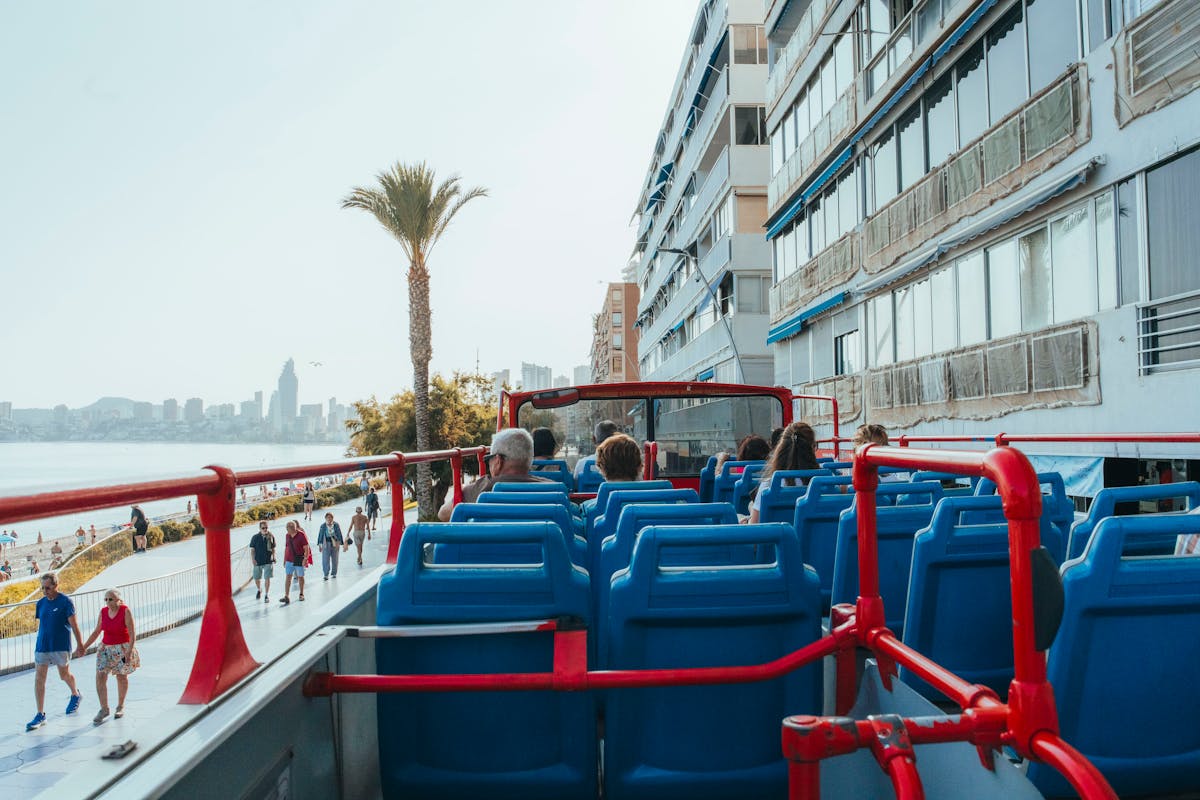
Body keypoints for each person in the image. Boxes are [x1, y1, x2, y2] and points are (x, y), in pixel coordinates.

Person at [438, 428, 550, 521]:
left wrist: (464, 489)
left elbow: (443, 514)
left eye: (489, 459)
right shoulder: (552, 488)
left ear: (498, 461)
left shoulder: (482, 488)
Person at [27, 572, 85, 731]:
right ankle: (40, 714)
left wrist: (80, 645)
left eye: (48, 588)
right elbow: (43, 624)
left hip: (60, 645)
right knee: (39, 678)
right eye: (43, 588)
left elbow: (74, 626)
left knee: (63, 675)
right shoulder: (41, 603)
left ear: (56, 586)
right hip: (43, 646)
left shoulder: (66, 602)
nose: (45, 591)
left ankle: (75, 694)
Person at [75, 588, 139, 725]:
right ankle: (104, 709)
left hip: (121, 648)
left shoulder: (125, 611)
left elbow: (133, 633)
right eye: (106, 599)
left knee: (121, 676)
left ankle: (120, 706)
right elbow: (97, 631)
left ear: (118, 600)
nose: (108, 602)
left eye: (111, 599)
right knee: (100, 676)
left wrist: (129, 650)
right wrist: (83, 647)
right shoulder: (103, 612)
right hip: (105, 649)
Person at [748, 422, 820, 525]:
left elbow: (754, 530)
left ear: (781, 448)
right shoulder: (826, 484)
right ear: (812, 448)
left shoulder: (769, 487)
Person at [280, 521, 310, 605]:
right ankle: (286, 596)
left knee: (300, 576)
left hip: (299, 558)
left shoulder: (301, 535)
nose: (287, 530)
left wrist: (305, 559)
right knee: (288, 577)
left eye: (289, 528)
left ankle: (301, 594)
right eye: (287, 528)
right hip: (289, 560)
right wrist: (284, 559)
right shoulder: (287, 536)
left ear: (294, 528)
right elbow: (286, 547)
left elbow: (306, 548)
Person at [249, 521, 276, 602]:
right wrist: (253, 559)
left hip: (268, 560)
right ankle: (259, 589)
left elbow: (273, 548)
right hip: (258, 561)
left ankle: (266, 595)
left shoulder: (271, 536)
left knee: (267, 578)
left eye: (266, 527)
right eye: (263, 528)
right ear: (260, 528)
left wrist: (274, 557)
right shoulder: (255, 537)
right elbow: (252, 550)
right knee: (257, 578)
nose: (265, 529)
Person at [316, 513, 346, 580]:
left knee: (335, 559)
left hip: (335, 542)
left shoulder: (336, 525)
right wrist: (319, 545)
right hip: (326, 543)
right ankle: (326, 574)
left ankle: (334, 573)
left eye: (330, 517)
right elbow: (320, 535)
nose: (329, 519)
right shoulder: (323, 526)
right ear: (325, 518)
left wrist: (340, 543)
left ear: (332, 518)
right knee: (325, 559)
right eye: (328, 517)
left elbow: (339, 533)